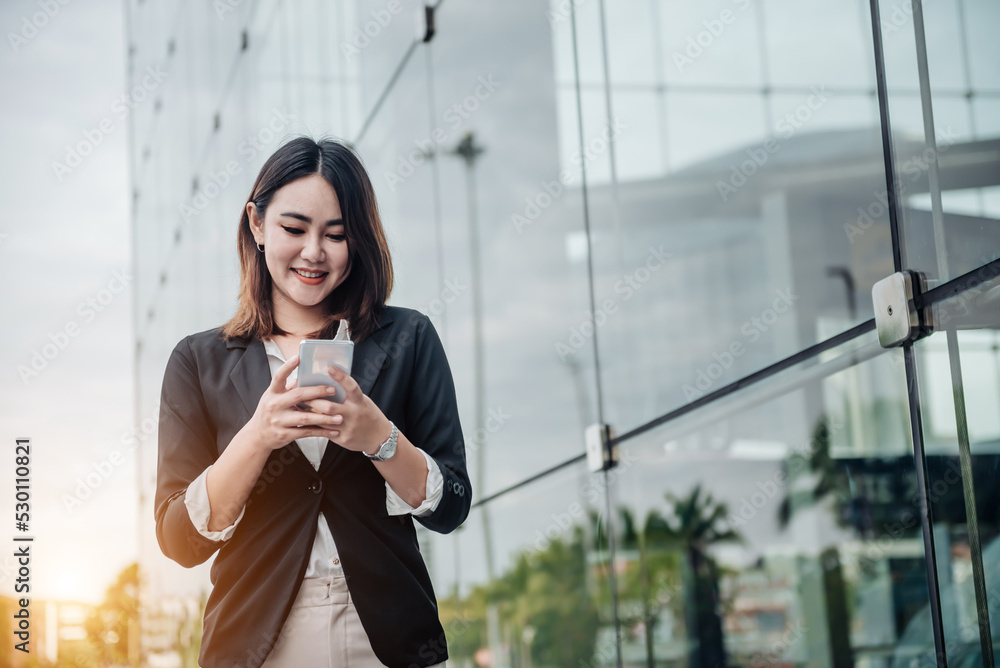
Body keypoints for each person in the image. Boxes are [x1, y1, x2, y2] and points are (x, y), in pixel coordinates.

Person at [154, 136, 471, 668]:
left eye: (337, 234)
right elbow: (179, 541)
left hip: (387, 639)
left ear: (359, 239)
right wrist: (257, 436)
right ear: (256, 224)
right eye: (294, 229)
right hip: (257, 643)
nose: (313, 253)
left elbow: (452, 505)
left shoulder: (408, 339)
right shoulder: (197, 361)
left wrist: (379, 438)